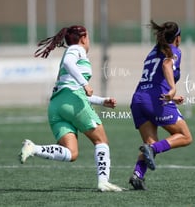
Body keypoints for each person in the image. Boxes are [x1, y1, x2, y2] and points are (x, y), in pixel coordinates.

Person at [19, 25, 123, 192]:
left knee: (71, 153)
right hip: (72, 102)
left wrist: (102, 101)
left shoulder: (74, 56)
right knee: (101, 141)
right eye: (88, 37)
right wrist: (85, 83)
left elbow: (72, 88)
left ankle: (33, 148)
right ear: (83, 38)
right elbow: (74, 81)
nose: (89, 42)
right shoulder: (77, 49)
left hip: (56, 106)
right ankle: (104, 182)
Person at [128, 20, 193, 190]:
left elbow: (154, 80)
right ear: (177, 38)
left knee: (150, 140)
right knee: (185, 136)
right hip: (155, 100)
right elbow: (166, 64)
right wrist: (172, 89)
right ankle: (154, 149)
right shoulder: (174, 51)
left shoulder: (152, 53)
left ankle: (137, 175)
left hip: (138, 100)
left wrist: (171, 96)